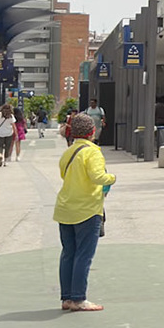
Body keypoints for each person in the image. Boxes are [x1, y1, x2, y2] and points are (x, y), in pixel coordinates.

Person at [54, 111, 116, 311]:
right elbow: (98, 176)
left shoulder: (68, 152)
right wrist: (112, 178)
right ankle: (79, 299)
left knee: (68, 254)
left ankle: (66, 298)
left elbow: (64, 175)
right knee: (83, 255)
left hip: (65, 208)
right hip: (87, 209)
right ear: (92, 131)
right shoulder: (93, 152)